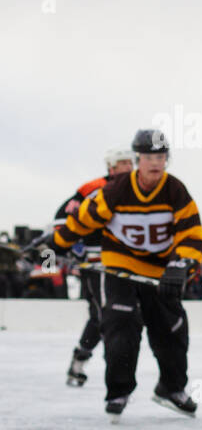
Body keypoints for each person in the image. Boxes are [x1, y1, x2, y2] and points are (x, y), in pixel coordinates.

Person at [44, 130, 202, 418]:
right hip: (120, 265)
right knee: (121, 325)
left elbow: (191, 234)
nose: (155, 163)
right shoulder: (117, 188)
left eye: (161, 157)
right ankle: (119, 392)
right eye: (148, 157)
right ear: (137, 159)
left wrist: (182, 265)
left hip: (160, 271)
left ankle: (171, 388)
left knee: (172, 328)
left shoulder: (176, 190)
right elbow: (84, 220)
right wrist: (55, 243)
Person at [52, 148, 136, 387]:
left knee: (108, 316)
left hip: (127, 262)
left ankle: (80, 363)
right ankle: (112, 374)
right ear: (111, 167)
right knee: (105, 315)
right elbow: (62, 219)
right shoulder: (93, 188)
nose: (129, 167)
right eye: (123, 163)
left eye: (131, 162)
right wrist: (73, 245)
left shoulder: (138, 189)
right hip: (98, 262)